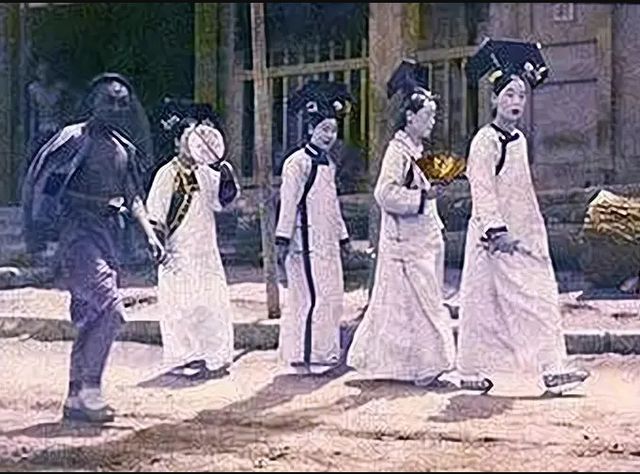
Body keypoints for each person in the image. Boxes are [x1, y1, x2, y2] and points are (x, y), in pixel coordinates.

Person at [22, 73, 165, 423]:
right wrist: (40, 232)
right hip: (78, 235)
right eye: (109, 101)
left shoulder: (123, 148)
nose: (116, 108)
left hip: (107, 234)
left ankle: (75, 397)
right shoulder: (73, 139)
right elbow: (44, 185)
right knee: (110, 309)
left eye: (122, 103)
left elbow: (133, 196)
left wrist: (149, 234)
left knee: (91, 314)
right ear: (93, 103)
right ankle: (91, 389)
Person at [456, 39, 590, 394]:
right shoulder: (485, 141)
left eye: (521, 95)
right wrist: (496, 230)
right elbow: (482, 189)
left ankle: (552, 367)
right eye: (509, 95)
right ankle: (469, 370)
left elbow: (521, 191)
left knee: (539, 297)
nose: (516, 102)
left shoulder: (517, 140)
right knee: (481, 303)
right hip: (492, 239)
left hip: (522, 235)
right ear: (494, 99)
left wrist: (529, 231)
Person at [346, 59, 456, 386]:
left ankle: (413, 365)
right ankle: (425, 365)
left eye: (433, 116)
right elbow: (384, 193)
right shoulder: (397, 152)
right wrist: (422, 198)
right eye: (427, 116)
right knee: (415, 304)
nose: (432, 122)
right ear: (409, 116)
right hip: (405, 241)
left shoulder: (417, 151)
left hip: (424, 237)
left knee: (421, 302)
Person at [146, 100, 240, 379]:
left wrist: (223, 170)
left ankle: (215, 355)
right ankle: (183, 357)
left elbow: (223, 202)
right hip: (178, 251)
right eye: (188, 138)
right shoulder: (166, 174)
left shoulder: (207, 173)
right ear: (177, 142)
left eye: (198, 138)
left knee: (211, 303)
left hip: (206, 250)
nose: (193, 144)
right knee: (180, 305)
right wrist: (158, 246)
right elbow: (156, 215)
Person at [275, 81, 354, 375]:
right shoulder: (297, 163)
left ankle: (325, 352)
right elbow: (288, 203)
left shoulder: (328, 164)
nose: (329, 136)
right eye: (323, 130)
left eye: (333, 131)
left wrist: (343, 238)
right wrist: (282, 239)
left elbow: (332, 205)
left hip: (327, 242)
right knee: (309, 298)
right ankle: (306, 355)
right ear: (310, 130)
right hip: (304, 243)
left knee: (331, 296)